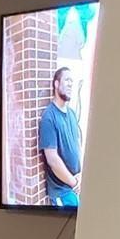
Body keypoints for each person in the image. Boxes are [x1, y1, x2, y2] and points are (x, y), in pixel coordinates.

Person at [39, 66, 83, 207]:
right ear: (56, 84)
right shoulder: (49, 117)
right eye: (67, 80)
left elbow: (76, 145)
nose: (71, 84)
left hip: (75, 185)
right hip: (62, 192)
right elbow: (52, 159)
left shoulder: (71, 114)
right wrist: (73, 183)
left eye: (72, 81)